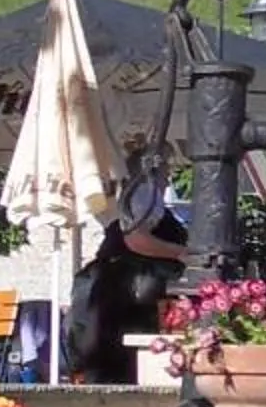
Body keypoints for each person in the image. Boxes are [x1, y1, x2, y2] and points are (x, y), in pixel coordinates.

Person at [66, 164, 187, 382]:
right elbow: (134, 239)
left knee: (110, 358)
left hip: (116, 289)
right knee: (123, 361)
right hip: (130, 292)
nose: (168, 179)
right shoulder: (144, 193)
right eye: (166, 171)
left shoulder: (130, 195)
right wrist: (183, 253)